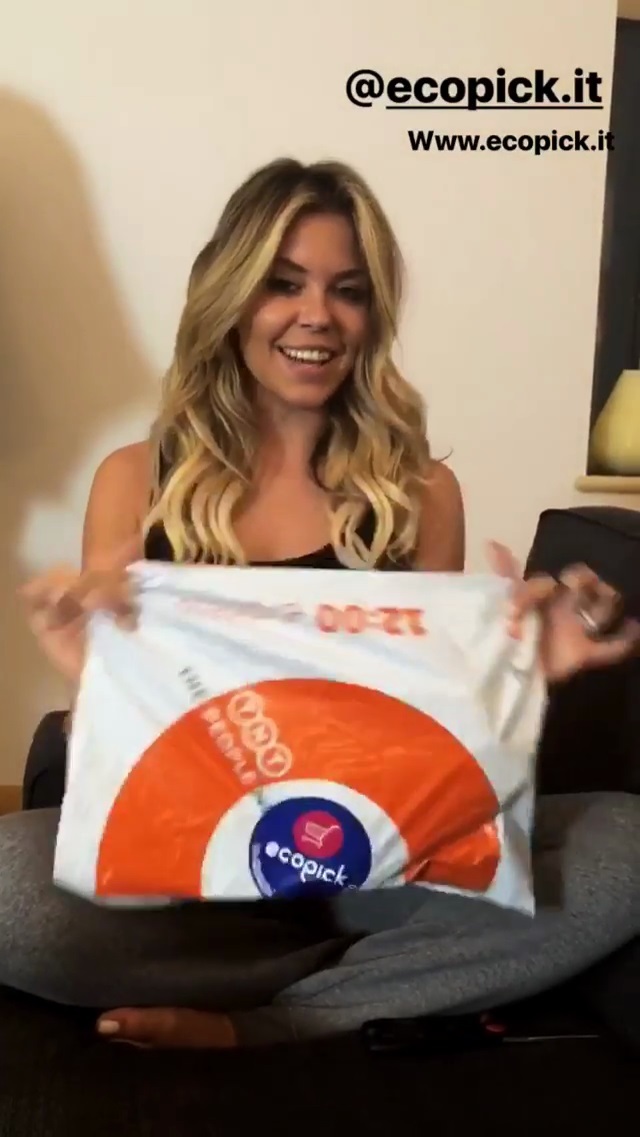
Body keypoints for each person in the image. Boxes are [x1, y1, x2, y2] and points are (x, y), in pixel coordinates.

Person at [3, 157, 639, 1051]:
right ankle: (392, 982)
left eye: (348, 290)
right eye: (283, 283)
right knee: (10, 891)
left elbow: (434, 764)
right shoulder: (138, 479)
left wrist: (523, 675)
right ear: (231, 295)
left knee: (627, 843)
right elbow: (126, 761)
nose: (317, 315)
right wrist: (97, 687)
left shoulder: (421, 492)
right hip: (194, 883)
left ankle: (278, 1020)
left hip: (373, 875)